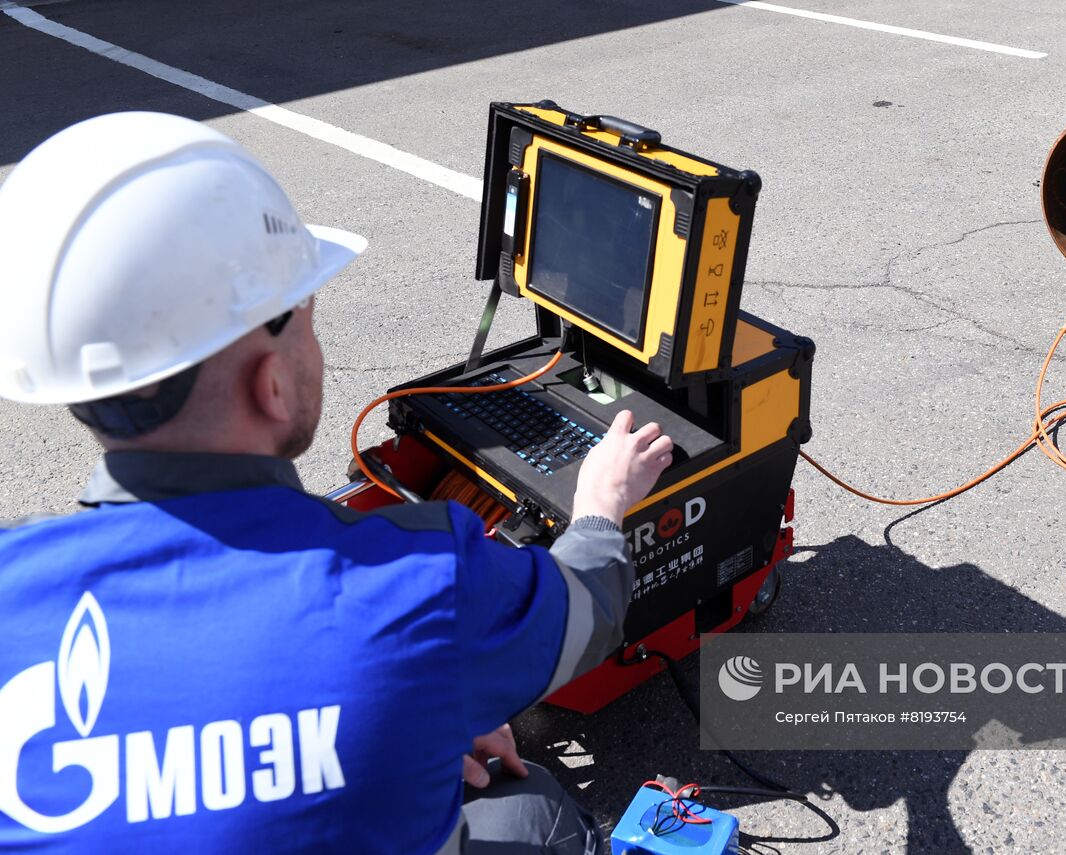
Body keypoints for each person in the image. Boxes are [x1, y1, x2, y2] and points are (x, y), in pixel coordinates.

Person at [0, 112, 673, 853]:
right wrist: (602, 505)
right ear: (272, 383)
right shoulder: (417, 585)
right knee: (537, 811)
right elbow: (587, 610)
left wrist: (389, 720)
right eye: (309, 318)